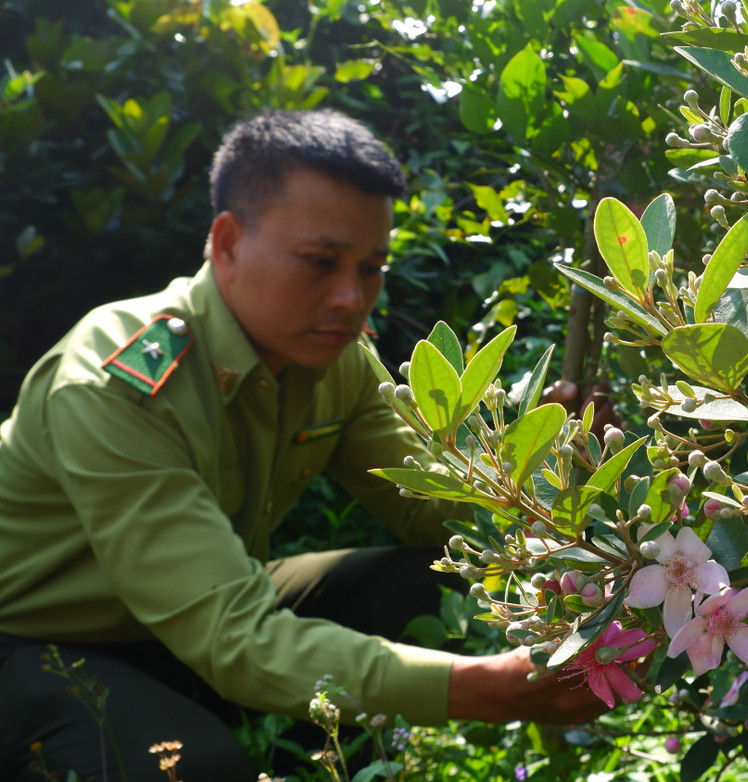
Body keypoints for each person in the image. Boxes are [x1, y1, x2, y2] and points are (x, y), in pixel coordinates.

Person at [0, 109, 605, 782]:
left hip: (204, 609)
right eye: (319, 262)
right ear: (227, 243)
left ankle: (343, 766)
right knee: (190, 771)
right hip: (34, 639)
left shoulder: (332, 356)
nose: (351, 298)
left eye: (371, 267)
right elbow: (231, 634)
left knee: (423, 585)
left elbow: (433, 508)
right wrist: (479, 687)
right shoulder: (117, 381)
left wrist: (547, 467)